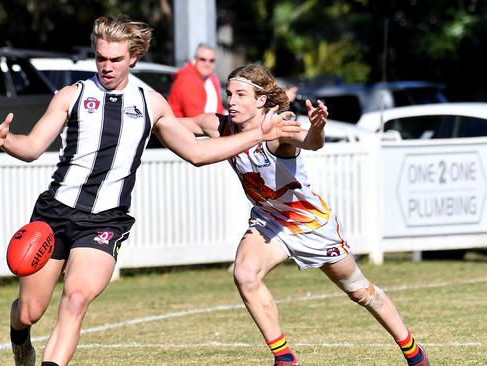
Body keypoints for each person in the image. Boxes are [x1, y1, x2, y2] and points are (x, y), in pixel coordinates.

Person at [0, 17, 301, 366]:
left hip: (105, 221)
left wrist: (257, 135)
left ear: (134, 58)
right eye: (100, 58)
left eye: (115, 59)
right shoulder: (73, 95)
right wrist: (6, 141)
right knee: (29, 312)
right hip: (54, 215)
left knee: (76, 299)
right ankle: (20, 339)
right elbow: (33, 147)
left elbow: (197, 153)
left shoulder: (150, 102)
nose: (106, 66)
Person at [180, 63, 430, 366]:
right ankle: (285, 359)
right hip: (269, 222)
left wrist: (318, 127)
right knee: (245, 274)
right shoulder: (218, 125)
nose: (230, 101)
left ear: (261, 100)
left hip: (309, 224)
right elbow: (171, 124)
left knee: (360, 291)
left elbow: (311, 142)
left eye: (240, 95)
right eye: (228, 94)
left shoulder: (279, 128)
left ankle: (413, 351)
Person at [167, 43, 225, 117]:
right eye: (203, 59)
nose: (207, 64)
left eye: (211, 60)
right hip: (185, 127)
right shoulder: (186, 80)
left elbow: (219, 109)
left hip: (210, 125)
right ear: (195, 59)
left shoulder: (212, 78)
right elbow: (196, 116)